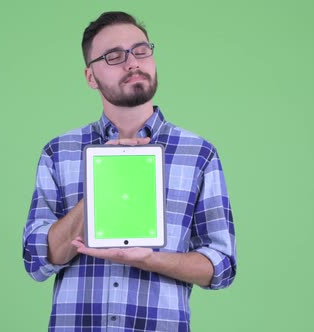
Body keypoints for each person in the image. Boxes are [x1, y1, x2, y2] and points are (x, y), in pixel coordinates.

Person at [23, 11, 237, 331]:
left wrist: (149, 259)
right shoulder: (59, 152)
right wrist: (100, 183)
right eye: (114, 56)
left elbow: (221, 266)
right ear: (91, 77)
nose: (132, 62)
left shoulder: (199, 154)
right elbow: (37, 259)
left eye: (140, 50)